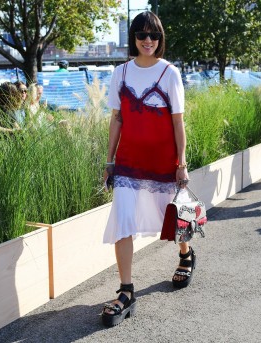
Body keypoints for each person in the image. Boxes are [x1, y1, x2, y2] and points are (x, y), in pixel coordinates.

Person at [101, 11, 189, 327]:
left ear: (160, 38)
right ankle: (126, 290)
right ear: (133, 39)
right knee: (122, 219)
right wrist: (109, 160)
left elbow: (178, 122)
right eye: (141, 35)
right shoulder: (120, 73)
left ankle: (186, 253)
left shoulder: (170, 73)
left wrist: (181, 163)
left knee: (173, 216)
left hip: (164, 160)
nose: (147, 41)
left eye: (153, 35)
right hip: (127, 162)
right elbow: (117, 119)